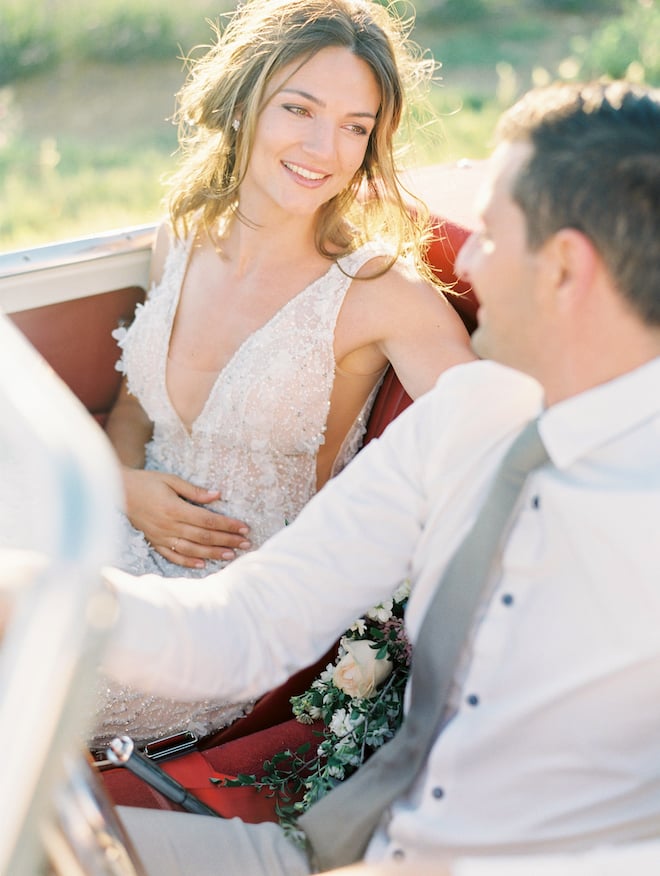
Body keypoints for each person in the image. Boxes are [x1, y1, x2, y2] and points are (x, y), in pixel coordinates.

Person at [101, 78, 660, 875]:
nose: (463, 261)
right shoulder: (463, 419)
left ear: (565, 268)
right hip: (326, 852)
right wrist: (53, 599)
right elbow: (250, 621)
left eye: (491, 237)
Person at [91, 0, 474, 748]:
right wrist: (124, 487)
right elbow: (135, 414)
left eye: (355, 127)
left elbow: (496, 456)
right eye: (299, 108)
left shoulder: (380, 296)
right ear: (244, 102)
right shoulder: (183, 235)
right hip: (117, 528)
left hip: (230, 619)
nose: (324, 148)